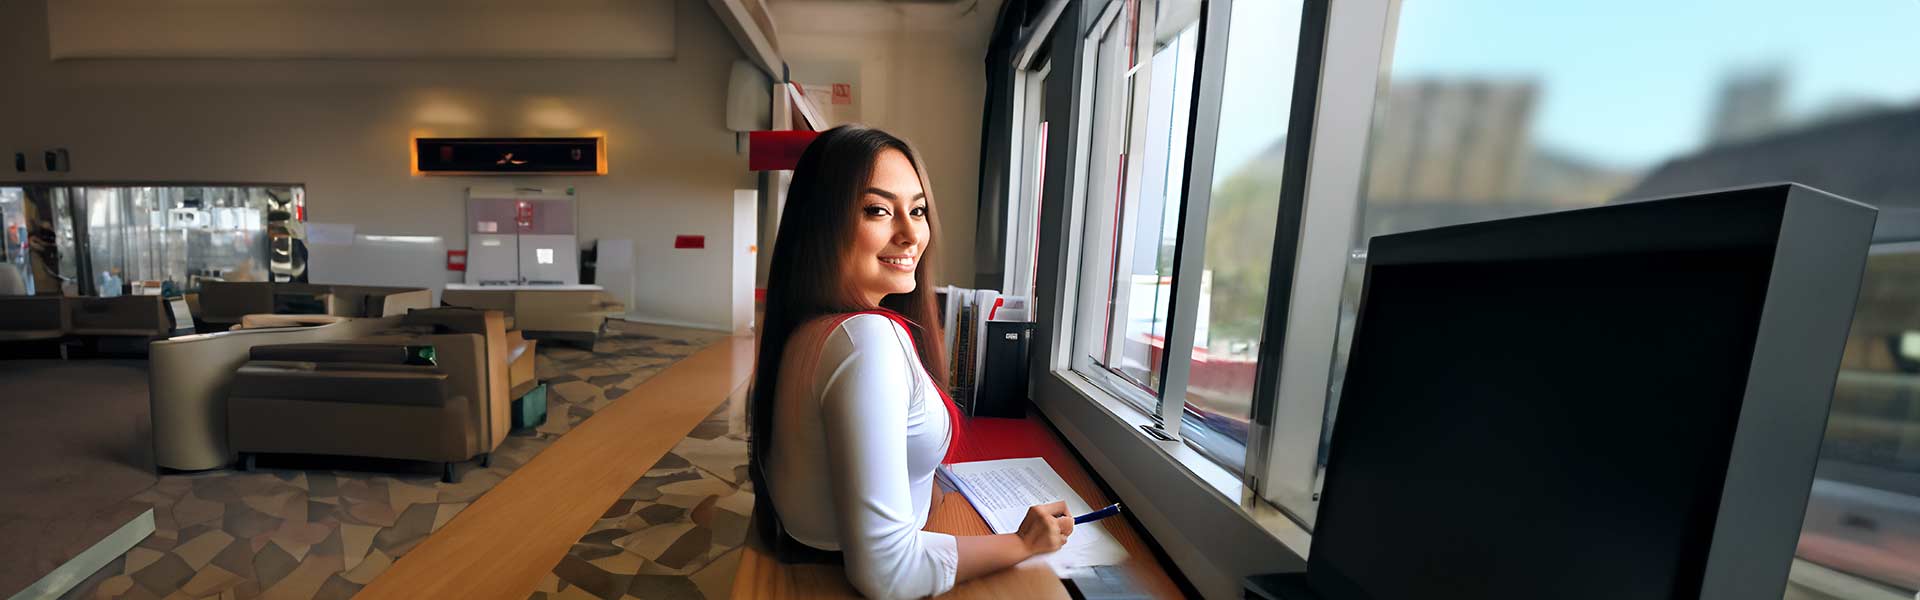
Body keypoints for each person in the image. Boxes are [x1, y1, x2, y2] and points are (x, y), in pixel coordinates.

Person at [749, 125, 1074, 599]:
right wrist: (1023, 544)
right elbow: (888, 573)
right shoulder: (867, 339)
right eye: (878, 210)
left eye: (917, 210)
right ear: (820, 223)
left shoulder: (810, 328)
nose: (910, 234)